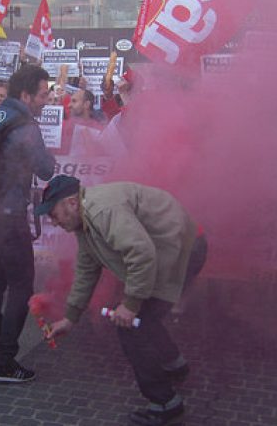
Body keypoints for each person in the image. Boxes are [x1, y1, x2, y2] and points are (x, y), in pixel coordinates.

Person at [42, 176, 207, 426]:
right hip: (172, 246)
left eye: (54, 215)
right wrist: (70, 318)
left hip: (183, 247)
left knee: (132, 327)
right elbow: (87, 270)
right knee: (145, 318)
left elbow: (141, 254)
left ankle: (166, 403)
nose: (53, 222)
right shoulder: (84, 222)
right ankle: (176, 366)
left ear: (72, 203)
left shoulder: (102, 212)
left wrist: (130, 305)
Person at [0, 64, 55, 383]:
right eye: (43, 93)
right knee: (22, 283)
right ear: (26, 94)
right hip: (8, 215)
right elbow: (46, 168)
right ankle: (5, 361)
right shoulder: (25, 123)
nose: (46, 99)